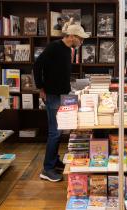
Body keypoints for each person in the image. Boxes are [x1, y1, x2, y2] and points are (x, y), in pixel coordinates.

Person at [33, 25, 89, 182]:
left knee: (60, 129)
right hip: (52, 95)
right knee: (54, 132)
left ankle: (54, 160)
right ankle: (47, 169)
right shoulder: (54, 47)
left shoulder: (68, 50)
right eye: (81, 38)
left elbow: (60, 72)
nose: (82, 41)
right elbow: (37, 66)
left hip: (63, 94)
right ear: (71, 36)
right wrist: (40, 88)